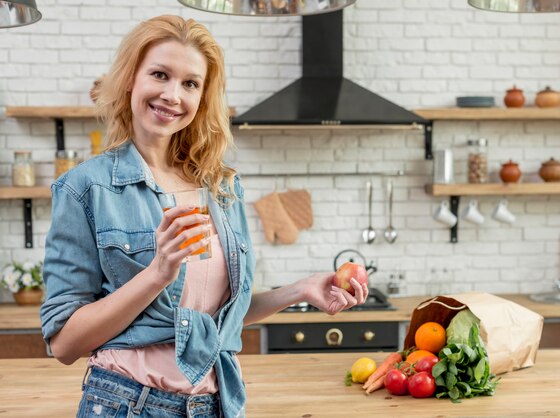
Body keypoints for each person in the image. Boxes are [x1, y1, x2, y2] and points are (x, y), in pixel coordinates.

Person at [40, 15, 368, 418]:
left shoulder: (221, 188)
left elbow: (216, 318)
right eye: (160, 74)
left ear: (202, 96)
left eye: (190, 83)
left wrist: (299, 290)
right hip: (126, 403)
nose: (172, 95)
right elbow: (64, 344)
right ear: (131, 79)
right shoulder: (84, 188)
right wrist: (157, 273)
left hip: (216, 404)